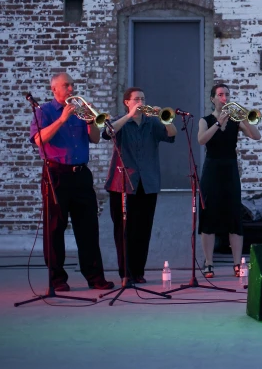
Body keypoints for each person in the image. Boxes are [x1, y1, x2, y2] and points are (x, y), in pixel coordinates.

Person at [29, 72, 114, 292]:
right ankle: (57, 279)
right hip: (56, 174)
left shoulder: (80, 111)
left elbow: (95, 139)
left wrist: (91, 122)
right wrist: (62, 119)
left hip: (81, 175)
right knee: (55, 227)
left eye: (72, 85)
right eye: (66, 85)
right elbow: (39, 140)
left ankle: (95, 277)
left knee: (88, 227)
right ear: (54, 89)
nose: (70, 89)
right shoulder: (43, 111)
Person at [103, 87, 177, 284]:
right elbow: (107, 132)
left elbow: (172, 135)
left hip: (148, 182)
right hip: (122, 183)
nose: (140, 102)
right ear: (127, 102)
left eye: (143, 99)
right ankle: (125, 272)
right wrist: (129, 116)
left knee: (143, 229)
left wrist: (165, 119)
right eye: (136, 99)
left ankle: (138, 271)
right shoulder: (120, 120)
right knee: (124, 229)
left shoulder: (152, 122)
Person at [197, 84, 261, 278]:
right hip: (212, 169)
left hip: (230, 168)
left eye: (227, 94)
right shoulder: (205, 120)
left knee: (234, 214)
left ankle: (237, 263)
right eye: (220, 94)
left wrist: (244, 119)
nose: (224, 97)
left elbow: (256, 136)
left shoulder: (235, 120)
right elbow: (201, 140)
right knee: (209, 214)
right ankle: (209, 262)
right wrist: (218, 123)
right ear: (212, 99)